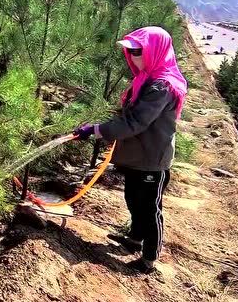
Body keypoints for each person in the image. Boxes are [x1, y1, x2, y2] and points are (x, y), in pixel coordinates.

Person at [73, 26, 187, 274]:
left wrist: (96, 130)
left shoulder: (162, 86)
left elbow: (135, 122)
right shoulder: (146, 79)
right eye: (131, 51)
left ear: (155, 51)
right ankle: (135, 239)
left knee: (149, 208)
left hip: (151, 159)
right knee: (133, 199)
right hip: (138, 155)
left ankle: (149, 258)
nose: (133, 56)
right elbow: (129, 116)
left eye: (138, 51)